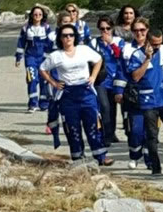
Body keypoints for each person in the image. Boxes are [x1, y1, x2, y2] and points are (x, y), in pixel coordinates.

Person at [39, 24, 114, 166]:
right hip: (68, 94)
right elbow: (42, 69)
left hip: (85, 91)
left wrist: (93, 77)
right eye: (64, 35)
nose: (68, 38)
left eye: (71, 35)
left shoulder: (83, 50)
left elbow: (98, 60)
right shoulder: (56, 55)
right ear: (60, 38)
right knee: (72, 127)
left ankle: (101, 155)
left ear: (75, 36)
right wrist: (53, 82)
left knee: (93, 124)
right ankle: (78, 157)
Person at [128, 20, 163, 175]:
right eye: (154, 44)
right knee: (152, 135)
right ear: (148, 41)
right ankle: (155, 166)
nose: (157, 47)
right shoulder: (137, 55)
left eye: (159, 43)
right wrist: (147, 59)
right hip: (147, 101)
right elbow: (135, 77)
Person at [113, 17, 150, 170]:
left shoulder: (154, 47)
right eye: (136, 30)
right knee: (134, 130)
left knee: (150, 131)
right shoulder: (126, 49)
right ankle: (135, 155)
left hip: (152, 96)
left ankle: (150, 159)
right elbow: (121, 71)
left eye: (142, 30)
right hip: (132, 95)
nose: (139, 33)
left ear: (147, 30)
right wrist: (119, 91)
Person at [90, 16, 125, 146]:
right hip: (101, 80)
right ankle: (105, 135)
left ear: (112, 28)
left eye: (108, 28)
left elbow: (120, 56)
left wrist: (111, 43)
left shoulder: (119, 41)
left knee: (112, 108)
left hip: (115, 80)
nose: (105, 31)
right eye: (102, 28)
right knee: (104, 107)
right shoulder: (94, 43)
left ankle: (111, 133)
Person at [15, 5, 52, 112]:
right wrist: (18, 58)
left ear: (42, 16)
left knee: (44, 81)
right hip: (30, 58)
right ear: (31, 15)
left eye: (40, 14)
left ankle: (44, 104)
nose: (37, 16)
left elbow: (50, 43)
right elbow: (21, 43)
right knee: (32, 79)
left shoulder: (46, 27)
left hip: (44, 58)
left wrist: (50, 56)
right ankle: (32, 104)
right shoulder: (26, 28)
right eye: (35, 14)